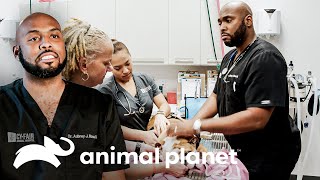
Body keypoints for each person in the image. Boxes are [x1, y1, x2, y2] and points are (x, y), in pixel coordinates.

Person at [168, 1, 301, 180]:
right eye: (220, 22)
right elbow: (217, 96)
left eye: (228, 20)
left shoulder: (265, 57)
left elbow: (257, 118)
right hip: (244, 149)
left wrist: (197, 126)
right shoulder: (230, 57)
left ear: (248, 21)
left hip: (270, 154)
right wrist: (191, 124)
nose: (222, 27)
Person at [0, 13, 128, 180]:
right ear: (17, 52)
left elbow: (114, 175)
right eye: (34, 38)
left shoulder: (101, 105)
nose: (46, 44)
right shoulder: (4, 104)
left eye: (54, 36)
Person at [62, 18, 188, 179]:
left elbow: (105, 145)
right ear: (84, 65)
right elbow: (111, 171)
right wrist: (161, 166)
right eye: (107, 64)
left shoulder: (88, 101)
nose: (109, 70)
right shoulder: (77, 108)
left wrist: (139, 148)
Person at [98, 40, 171, 146]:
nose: (126, 70)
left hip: (151, 140)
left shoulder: (145, 79)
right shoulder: (106, 91)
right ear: (109, 67)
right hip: (125, 146)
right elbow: (109, 127)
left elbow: (164, 105)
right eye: (118, 68)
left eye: (128, 63)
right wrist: (143, 135)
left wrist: (160, 115)